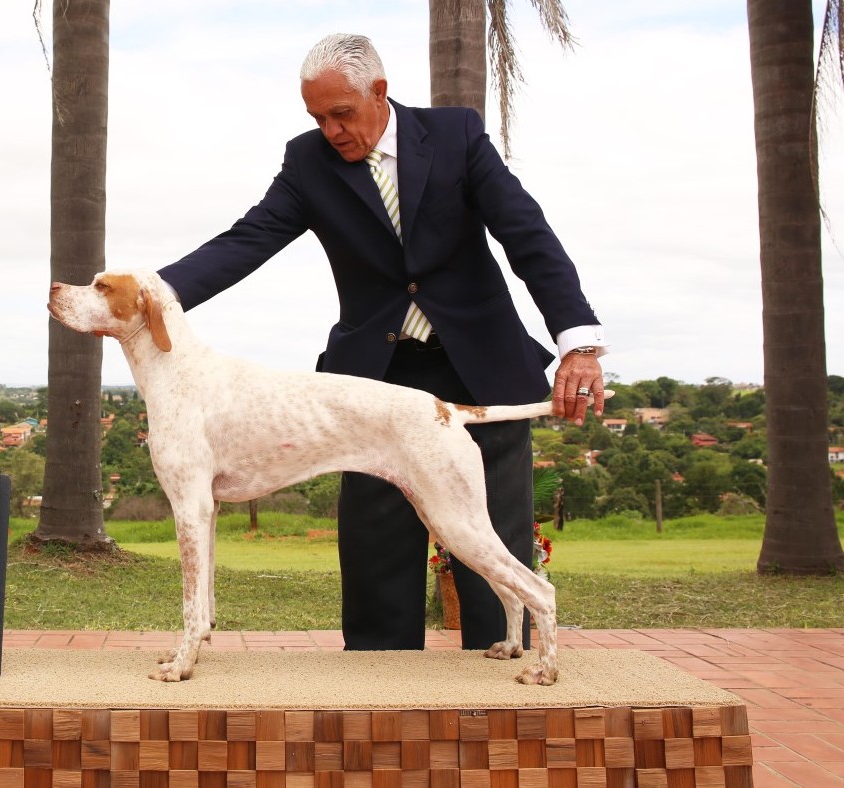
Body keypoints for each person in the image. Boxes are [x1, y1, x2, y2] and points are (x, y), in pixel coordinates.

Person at [158, 33, 607, 652]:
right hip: (372, 381)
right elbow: (245, 241)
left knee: (487, 541)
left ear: (379, 92)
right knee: (376, 561)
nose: (332, 130)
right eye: (318, 118)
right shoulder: (307, 162)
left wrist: (578, 342)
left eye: (342, 114)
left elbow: (526, 233)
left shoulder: (456, 136)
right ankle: (375, 690)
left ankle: (502, 678)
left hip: (483, 370)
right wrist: (148, 294)